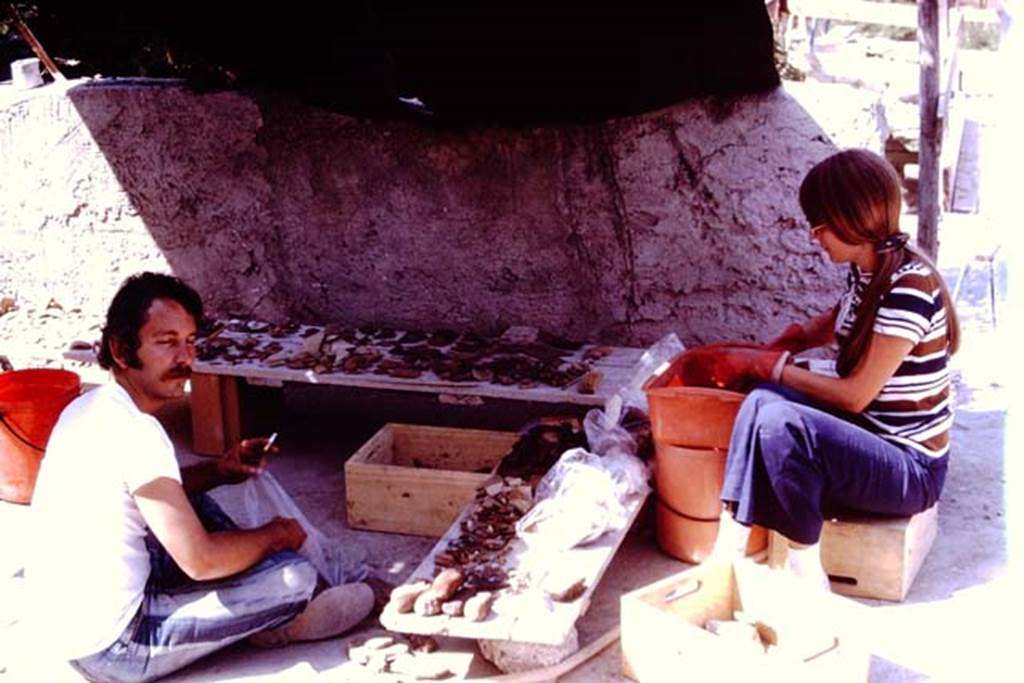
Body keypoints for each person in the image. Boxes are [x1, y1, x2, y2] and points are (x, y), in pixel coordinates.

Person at [28, 272, 374, 683]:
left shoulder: (91, 407)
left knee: (190, 500)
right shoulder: (136, 431)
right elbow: (201, 561)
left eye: (190, 341)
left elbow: (149, 496)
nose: (185, 358)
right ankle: (274, 624)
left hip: (67, 625)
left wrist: (217, 471)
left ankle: (249, 604)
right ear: (121, 350)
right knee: (292, 577)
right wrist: (277, 534)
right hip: (115, 648)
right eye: (166, 342)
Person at [672, 148, 960, 587]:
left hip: (910, 467)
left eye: (820, 225)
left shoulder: (909, 289)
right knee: (760, 402)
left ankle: (805, 571)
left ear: (851, 220)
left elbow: (854, 395)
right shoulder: (870, 269)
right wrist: (794, 339)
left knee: (783, 425)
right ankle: (727, 549)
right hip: (873, 432)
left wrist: (771, 364)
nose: (813, 235)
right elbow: (840, 318)